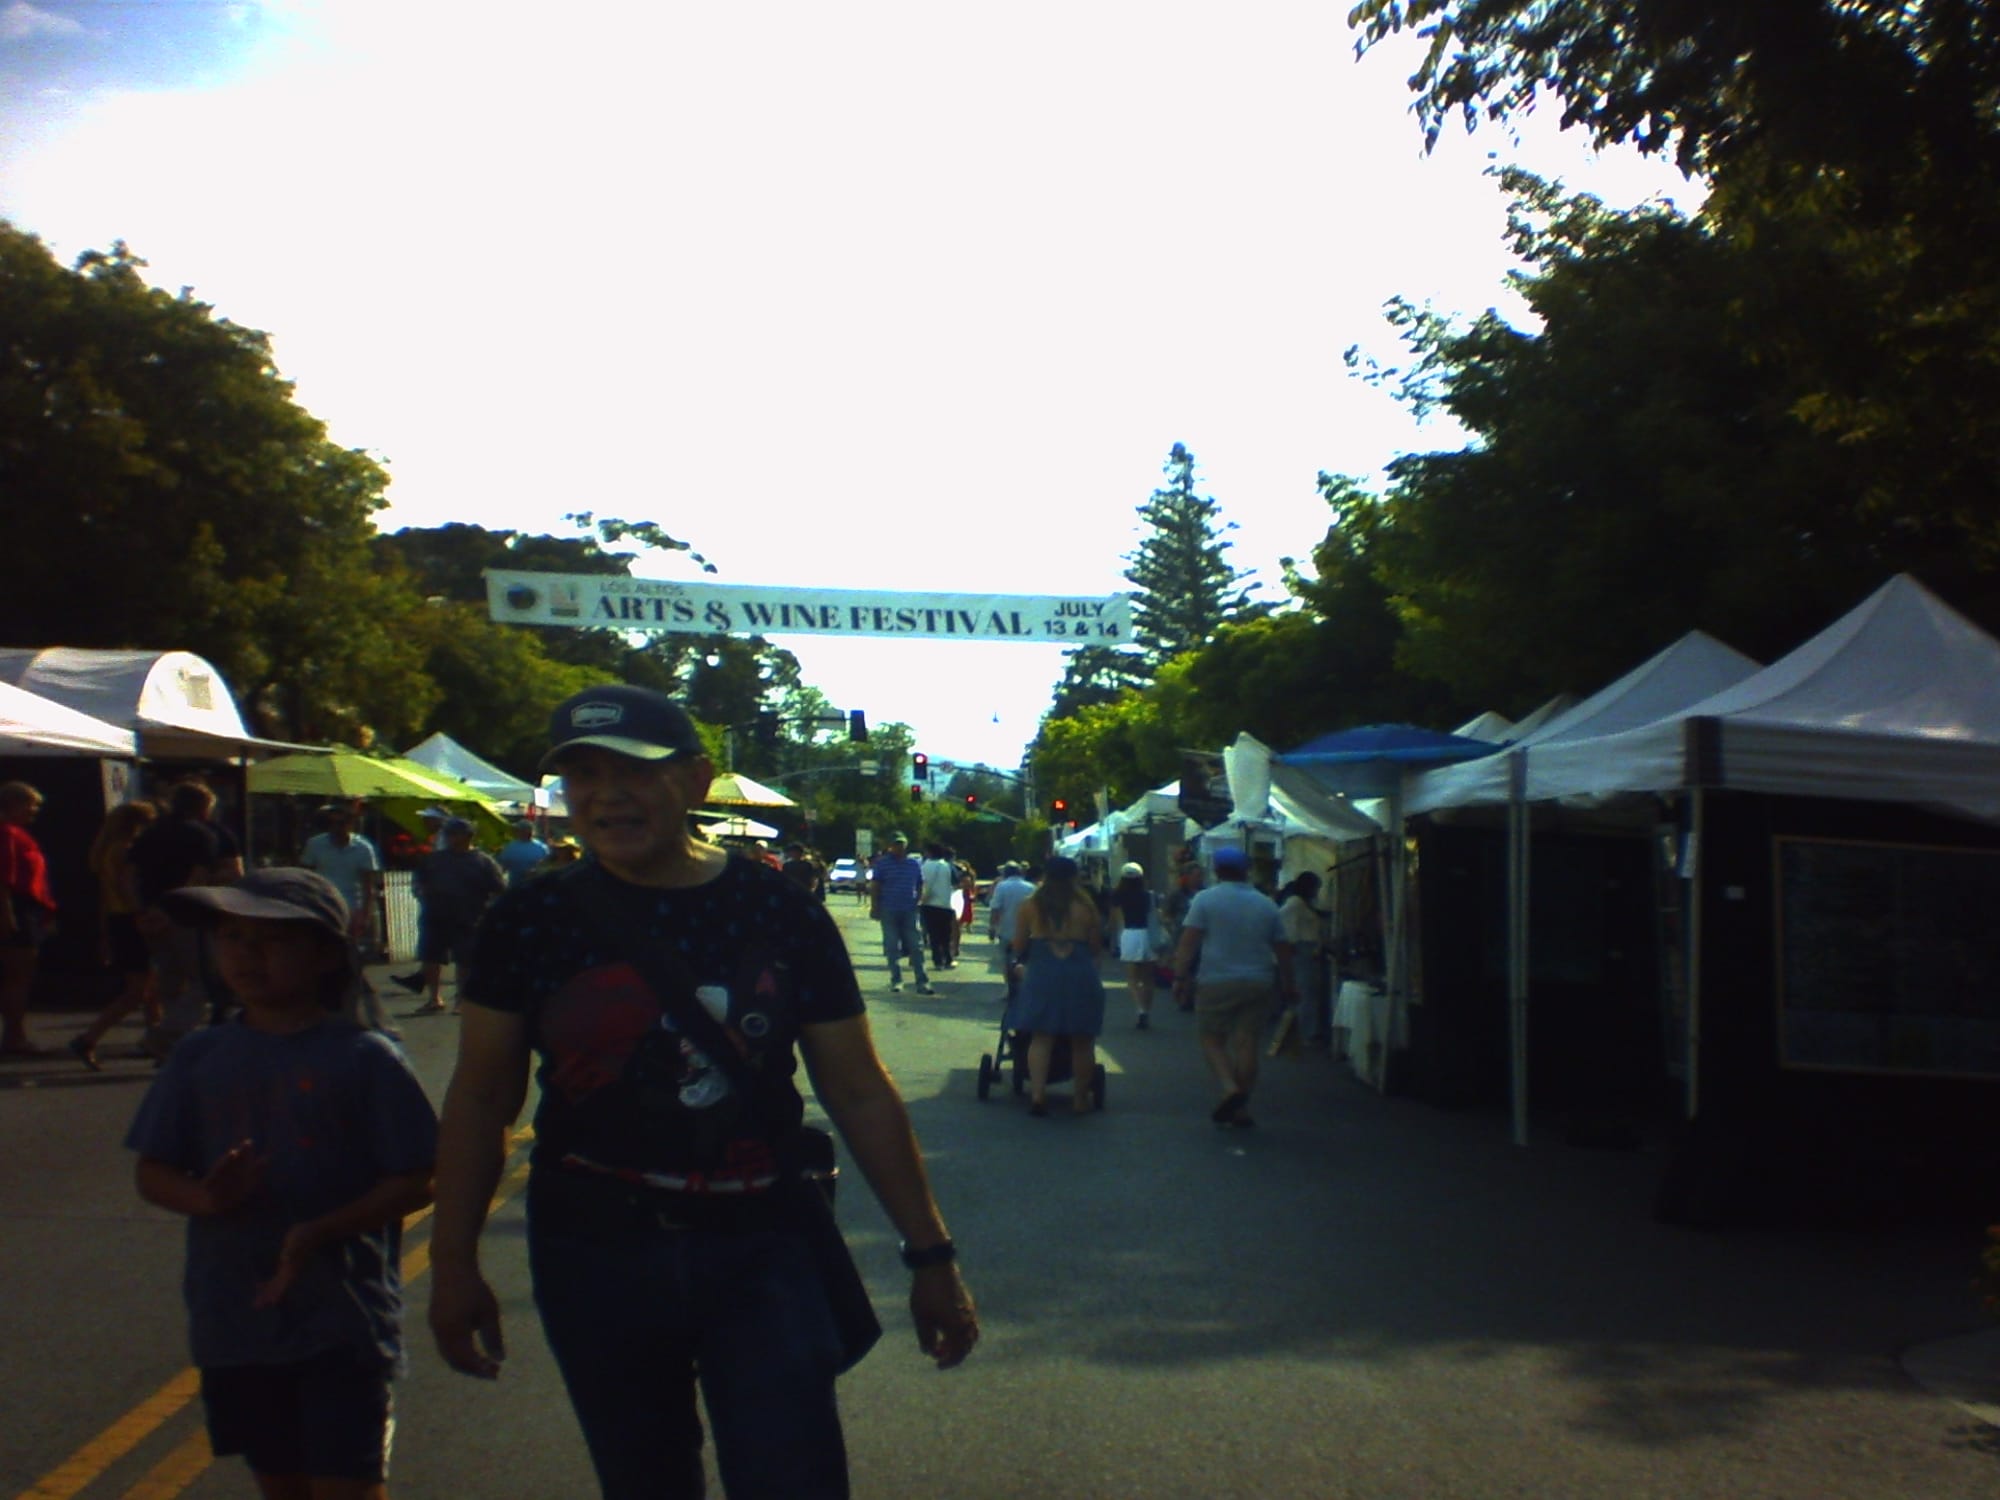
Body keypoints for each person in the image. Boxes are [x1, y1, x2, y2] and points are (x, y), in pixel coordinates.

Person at [427, 684, 977, 1500]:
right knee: (642, 1478)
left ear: (694, 780)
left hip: (762, 1242)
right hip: (593, 1249)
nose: (607, 795)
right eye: (582, 775)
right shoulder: (530, 917)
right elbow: (479, 1097)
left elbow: (858, 1088)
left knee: (793, 1476)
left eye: (634, 772)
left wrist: (931, 1257)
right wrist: (451, 1262)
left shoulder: (778, 910)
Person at [125, 868, 438, 1500]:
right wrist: (208, 1198)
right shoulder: (199, 1055)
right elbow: (153, 1171)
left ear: (324, 954)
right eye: (231, 937)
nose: (245, 954)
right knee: (281, 1482)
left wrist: (323, 1228)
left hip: (340, 1319)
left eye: (268, 938)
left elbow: (416, 1177)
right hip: (234, 1319)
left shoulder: (363, 1056)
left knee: (345, 1484)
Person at [1172, 846, 1296, 1129]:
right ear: (1246, 870)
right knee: (1247, 1042)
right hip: (1259, 980)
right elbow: (1283, 950)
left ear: (1216, 870)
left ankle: (1230, 1088)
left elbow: (1189, 942)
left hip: (1216, 980)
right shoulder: (1266, 904)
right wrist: (1289, 985)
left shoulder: (1205, 900)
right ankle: (1242, 1108)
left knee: (1212, 1040)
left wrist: (1180, 977)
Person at [131, 781, 244, 1057]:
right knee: (203, 980)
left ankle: (171, 1038)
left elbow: (130, 874)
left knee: (169, 978)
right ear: (204, 807)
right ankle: (167, 1034)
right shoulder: (204, 835)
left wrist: (142, 909)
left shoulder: (150, 833)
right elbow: (200, 876)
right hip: (188, 915)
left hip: (151, 915)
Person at [1007, 855, 1107, 1117]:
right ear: (1075, 877)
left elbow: (1018, 946)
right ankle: (1079, 1099)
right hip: (1079, 972)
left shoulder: (1030, 906)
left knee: (1041, 1037)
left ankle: (1038, 1095)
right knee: (1082, 1041)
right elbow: (1096, 946)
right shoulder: (1087, 907)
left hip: (1042, 973)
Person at [71, 800, 162, 1069]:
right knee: (137, 990)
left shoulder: (106, 851)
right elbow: (127, 887)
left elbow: (105, 896)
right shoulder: (126, 851)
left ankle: (155, 1040)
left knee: (149, 987)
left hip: (116, 919)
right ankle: (89, 1037)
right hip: (131, 919)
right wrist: (142, 913)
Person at [299, 804, 397, 1037]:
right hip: (323, 907)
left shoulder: (362, 848)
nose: (337, 828)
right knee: (326, 962)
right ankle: (329, 1013)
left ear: (350, 824)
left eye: (341, 823)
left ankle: (362, 1016)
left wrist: (365, 913)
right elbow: (307, 874)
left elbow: (368, 884)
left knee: (353, 964)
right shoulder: (316, 845)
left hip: (351, 909)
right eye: (332, 823)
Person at [400, 818, 503, 1016]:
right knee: (431, 958)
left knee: (464, 961)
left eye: (455, 834)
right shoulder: (435, 859)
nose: (450, 838)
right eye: (448, 834)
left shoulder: (482, 861)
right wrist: (420, 893)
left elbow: (499, 889)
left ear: (468, 836)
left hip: (468, 917)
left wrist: (488, 911)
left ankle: (461, 1000)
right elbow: (419, 880)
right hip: (435, 915)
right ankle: (434, 998)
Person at [0, 781, 56, 1057]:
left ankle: (14, 1033)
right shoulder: (7, 833)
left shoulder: (17, 833)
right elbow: (4, 878)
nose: (34, 810)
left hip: (27, 909)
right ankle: (14, 1036)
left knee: (18, 976)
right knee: (16, 977)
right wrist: (7, 915)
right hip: (16, 910)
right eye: (30, 804)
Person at [869, 832, 934, 996]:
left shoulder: (913, 863)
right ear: (891, 846)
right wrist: (874, 906)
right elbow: (875, 885)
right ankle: (896, 980)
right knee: (892, 946)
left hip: (909, 909)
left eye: (902, 844)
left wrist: (919, 900)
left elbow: (920, 883)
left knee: (916, 946)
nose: (899, 847)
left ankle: (922, 981)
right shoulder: (883, 864)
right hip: (888, 908)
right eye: (896, 844)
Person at [1276, 872, 1326, 1047]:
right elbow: (1286, 924)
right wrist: (1293, 944)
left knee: (1308, 990)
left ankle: (1306, 1030)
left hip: (1307, 948)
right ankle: (1305, 1032)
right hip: (1302, 949)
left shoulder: (1305, 903)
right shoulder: (1295, 903)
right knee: (1306, 990)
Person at [1111, 861, 1158, 1029]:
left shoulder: (1118, 895)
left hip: (1129, 934)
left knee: (1132, 978)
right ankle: (1147, 1010)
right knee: (1148, 979)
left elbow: (1118, 920)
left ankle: (1139, 1010)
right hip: (1147, 934)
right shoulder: (1148, 895)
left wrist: (1117, 941)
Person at [984, 862, 1035, 1005]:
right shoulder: (1030, 887)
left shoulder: (1002, 886)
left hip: (1006, 929)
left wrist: (992, 927)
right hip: (1027, 931)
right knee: (1024, 961)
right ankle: (1025, 988)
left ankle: (1009, 988)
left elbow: (996, 908)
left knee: (1007, 961)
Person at [917, 842, 958, 971]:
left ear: (929, 853)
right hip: (946, 904)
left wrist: (921, 899)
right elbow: (955, 882)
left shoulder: (926, 866)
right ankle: (948, 958)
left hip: (929, 904)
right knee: (946, 934)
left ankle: (937, 961)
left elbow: (925, 885)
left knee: (933, 934)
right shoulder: (947, 866)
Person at [495, 819, 551, 889]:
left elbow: (548, 867)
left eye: (518, 830)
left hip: (536, 887)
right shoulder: (511, 847)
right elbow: (502, 867)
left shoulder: (542, 848)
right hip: (515, 886)